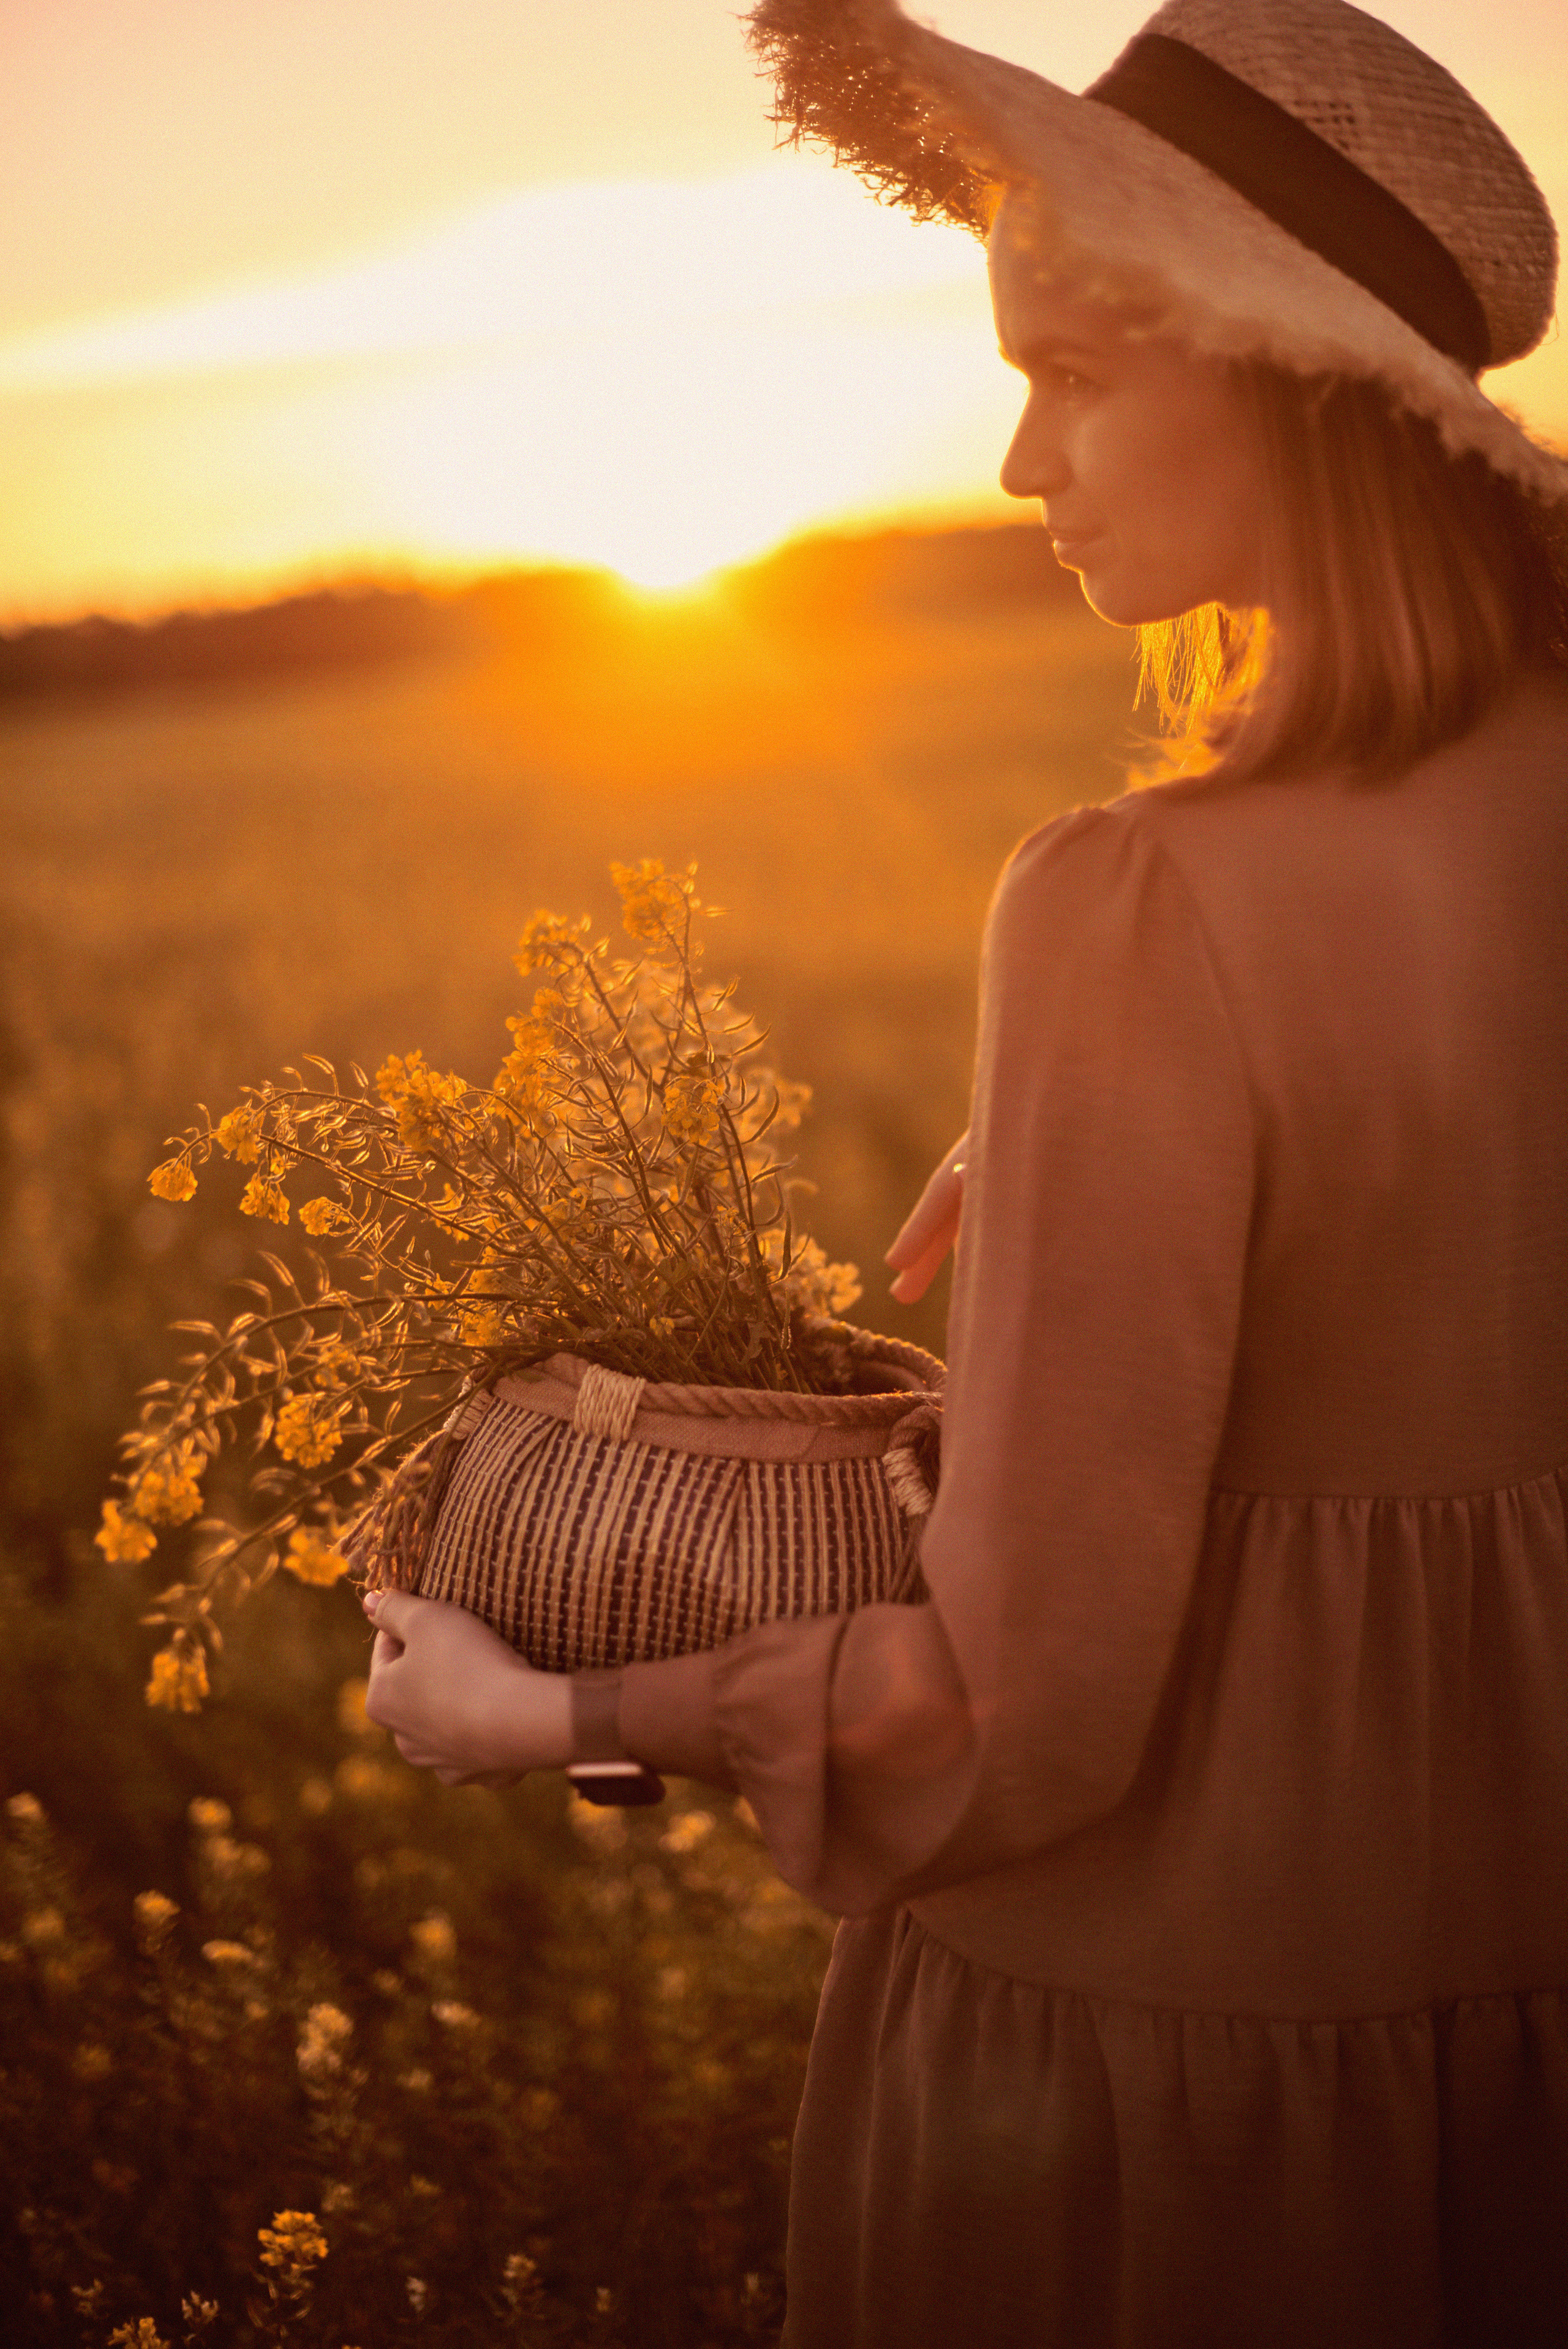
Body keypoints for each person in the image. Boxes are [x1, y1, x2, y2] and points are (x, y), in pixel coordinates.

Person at [363, 1, 1568, 2339]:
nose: (1028, 458)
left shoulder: (1141, 906)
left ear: (1303, 383)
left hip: (1178, 2104)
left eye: (1089, 369)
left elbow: (1017, 1722)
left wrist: (531, 1717)